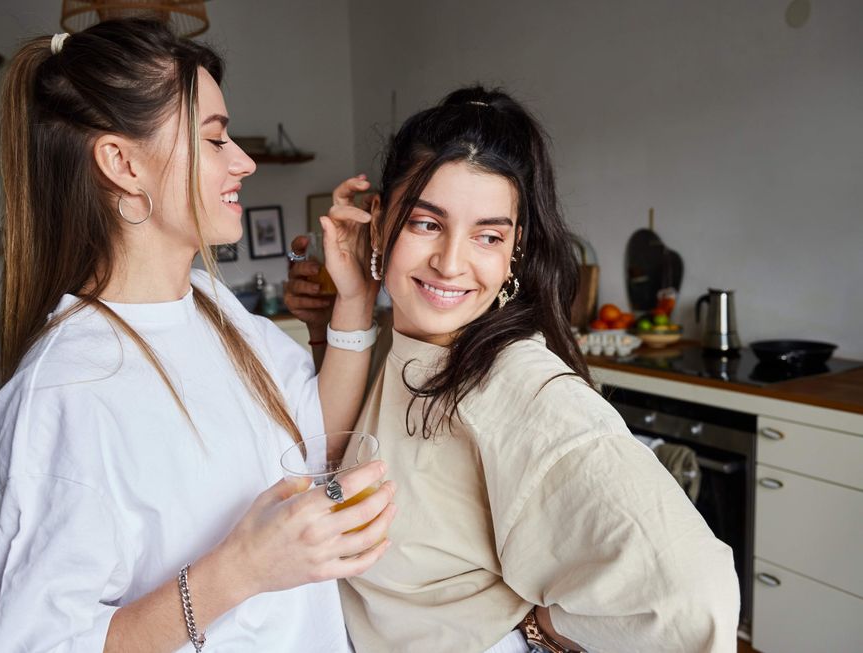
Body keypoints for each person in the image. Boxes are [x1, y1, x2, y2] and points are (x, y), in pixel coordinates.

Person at [0, 19, 394, 652]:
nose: (244, 162)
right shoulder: (65, 393)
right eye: (215, 139)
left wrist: (355, 304)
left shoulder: (213, 307)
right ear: (121, 163)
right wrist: (241, 570)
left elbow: (312, 441)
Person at [286, 87, 740, 652]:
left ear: (515, 250)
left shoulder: (518, 384)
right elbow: (327, 457)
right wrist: (350, 298)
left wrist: (536, 632)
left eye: (488, 235)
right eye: (426, 224)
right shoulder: (407, 345)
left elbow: (689, 598)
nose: (451, 263)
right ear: (379, 222)